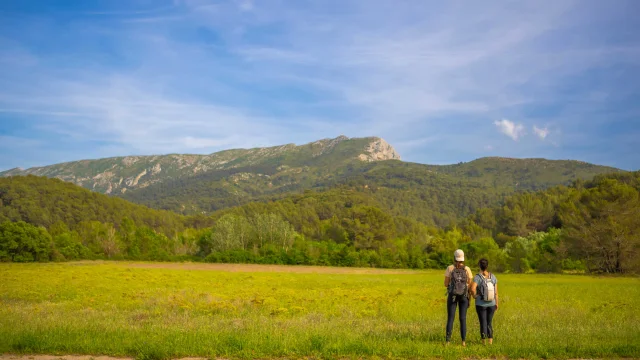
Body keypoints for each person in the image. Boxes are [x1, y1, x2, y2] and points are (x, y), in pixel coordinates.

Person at [444, 249, 473, 346]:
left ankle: (448, 341)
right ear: (463, 259)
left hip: (452, 295)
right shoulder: (467, 269)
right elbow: (470, 284)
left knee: (450, 318)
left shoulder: (450, 268)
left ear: (454, 257)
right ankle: (463, 342)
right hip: (464, 296)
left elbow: (445, 284)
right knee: (463, 318)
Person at [470, 258, 499, 345]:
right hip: (492, 303)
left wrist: (475, 296)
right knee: (489, 322)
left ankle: (484, 342)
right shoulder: (493, 276)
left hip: (480, 304)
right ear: (487, 266)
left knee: (483, 322)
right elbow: (496, 292)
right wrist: (496, 303)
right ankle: (490, 342)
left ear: (479, 265)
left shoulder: (478, 277)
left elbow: (472, 289)